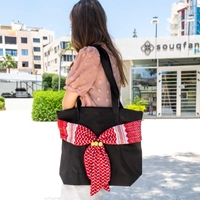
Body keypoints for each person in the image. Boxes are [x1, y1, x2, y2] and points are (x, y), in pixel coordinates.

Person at [60, 0, 127, 199]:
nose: (72, 30)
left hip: (84, 137)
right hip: (105, 137)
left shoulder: (90, 53)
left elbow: (67, 103)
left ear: (81, 26)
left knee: (77, 190)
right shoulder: (111, 55)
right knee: (94, 191)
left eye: (73, 26)